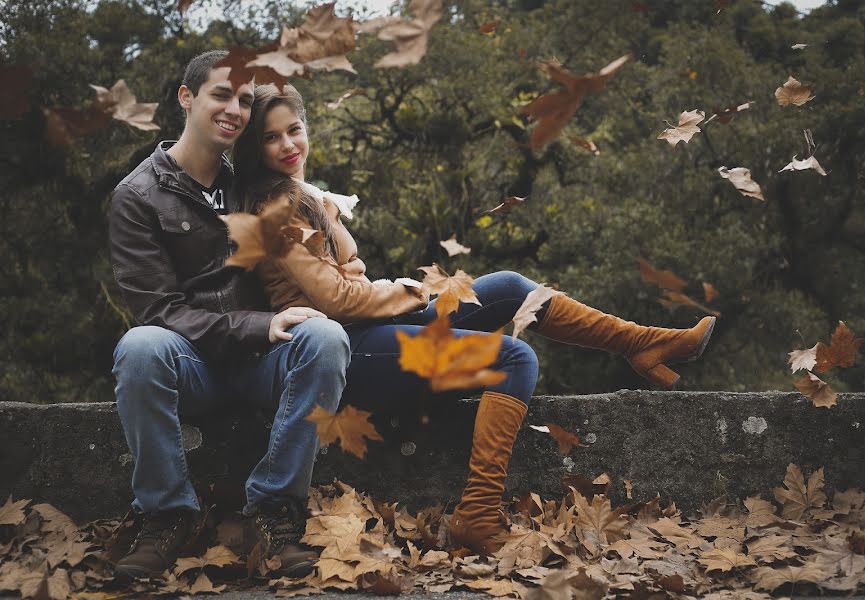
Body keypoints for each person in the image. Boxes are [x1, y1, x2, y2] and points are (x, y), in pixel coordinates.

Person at [232, 83, 716, 555]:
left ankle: (640, 343)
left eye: (293, 129)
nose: (287, 144)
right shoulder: (276, 206)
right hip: (344, 351)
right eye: (270, 138)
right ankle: (477, 515)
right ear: (255, 149)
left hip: (367, 327)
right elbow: (335, 299)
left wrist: (401, 294)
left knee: (506, 285)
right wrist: (404, 291)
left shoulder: (301, 192)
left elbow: (344, 288)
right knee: (514, 359)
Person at [107, 52, 350, 581]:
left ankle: (272, 513)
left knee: (327, 337)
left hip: (265, 363)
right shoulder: (136, 197)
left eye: (244, 100)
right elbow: (158, 310)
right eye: (221, 94)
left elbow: (320, 258)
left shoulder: (252, 187)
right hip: (191, 365)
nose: (235, 109)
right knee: (140, 346)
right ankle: (167, 517)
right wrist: (254, 324)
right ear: (186, 97)